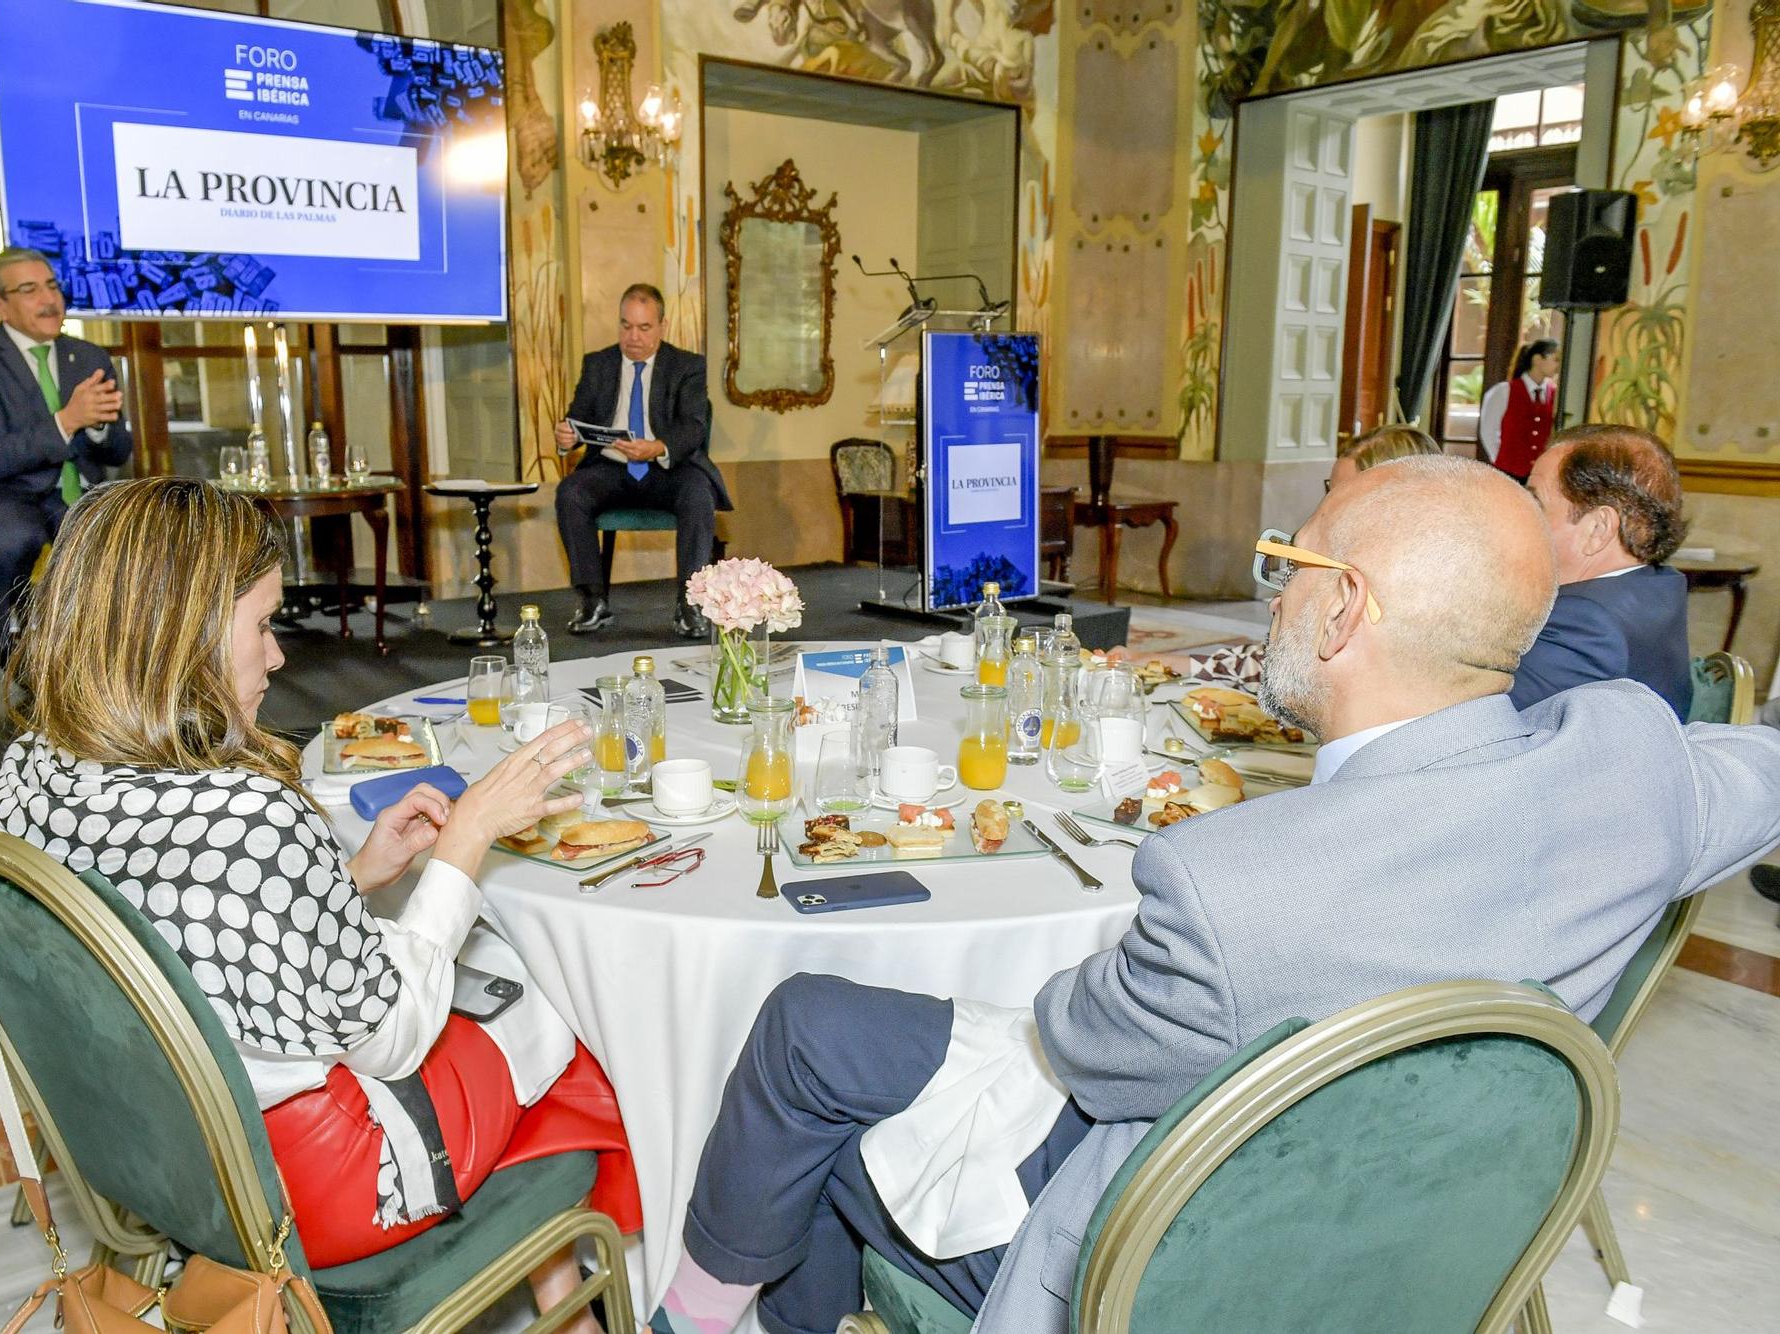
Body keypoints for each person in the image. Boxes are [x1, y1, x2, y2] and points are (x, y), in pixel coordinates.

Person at [639, 456, 1780, 1334]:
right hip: (1422, 1237)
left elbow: (1075, 1037)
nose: (1271, 592)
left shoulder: (1226, 885)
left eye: (1288, 565)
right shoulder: (1630, 767)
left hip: (1161, 1263)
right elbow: (1761, 775)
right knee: (828, 1039)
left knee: (817, 1078)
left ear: (1343, 610)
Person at [0, 479, 638, 1325]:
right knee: (570, 1002)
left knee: (512, 993)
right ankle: (590, 1287)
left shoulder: (32, 771)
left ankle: (553, 1280)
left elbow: (190, 922)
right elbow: (393, 1040)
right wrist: (467, 841)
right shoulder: (248, 819)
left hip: (160, 1156)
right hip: (314, 1191)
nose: (279, 656)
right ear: (174, 637)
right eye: (261, 626)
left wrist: (355, 873)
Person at [1113, 423, 1444, 687]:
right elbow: (1274, 662)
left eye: (1344, 495)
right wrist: (1153, 662)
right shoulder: (1340, 562)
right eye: (1331, 491)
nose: (1328, 507)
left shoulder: (1423, 596)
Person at [0, 247, 133, 664]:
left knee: (123, 538)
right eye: (29, 290)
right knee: (16, 538)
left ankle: (116, 664)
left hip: (79, 490)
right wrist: (67, 420)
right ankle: (10, 654)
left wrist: (98, 424)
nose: (49, 299)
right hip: (3, 491)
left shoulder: (88, 357)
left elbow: (119, 451)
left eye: (52, 286)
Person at [554, 283, 729, 639]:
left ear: (662, 326)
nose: (633, 337)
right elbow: (577, 417)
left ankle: (690, 604)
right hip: (610, 469)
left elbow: (694, 425)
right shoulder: (597, 364)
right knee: (570, 492)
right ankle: (592, 601)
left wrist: (658, 446)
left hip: (667, 469)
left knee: (698, 494)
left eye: (644, 328)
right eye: (625, 326)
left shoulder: (688, 366)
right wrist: (567, 437)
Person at [1511, 423, 1692, 718]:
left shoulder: (1584, 622)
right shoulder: (1660, 584)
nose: (1521, 519)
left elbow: (1474, 722)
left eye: (1535, 504)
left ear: (1598, 529)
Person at [1479, 338, 1560, 479]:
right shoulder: (1504, 391)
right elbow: (1488, 430)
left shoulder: (1555, 394)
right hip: (1508, 472)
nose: (1558, 366)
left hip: (1541, 475)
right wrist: (1500, 460)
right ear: (1537, 359)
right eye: (1555, 359)